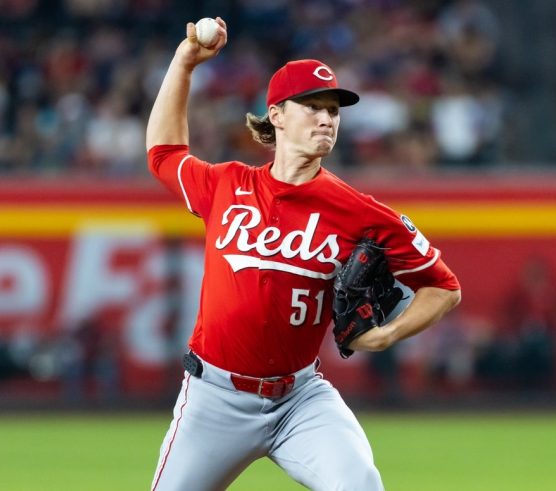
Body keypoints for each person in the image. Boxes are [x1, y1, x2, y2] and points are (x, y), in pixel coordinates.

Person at [147, 18, 461, 491]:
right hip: (214, 399)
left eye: (333, 110)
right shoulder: (227, 185)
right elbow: (164, 153)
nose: (326, 119)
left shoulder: (360, 212)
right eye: (312, 106)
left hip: (301, 400)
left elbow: (443, 286)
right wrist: (183, 64)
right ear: (276, 115)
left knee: (361, 484)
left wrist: (388, 334)